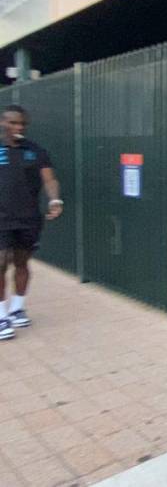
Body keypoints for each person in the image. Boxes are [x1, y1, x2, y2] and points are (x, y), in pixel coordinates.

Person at [0, 105, 62, 341]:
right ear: (3, 122)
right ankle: (1, 316)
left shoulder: (35, 150)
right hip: (1, 219)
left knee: (22, 263)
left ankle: (17, 308)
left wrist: (55, 199)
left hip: (28, 218)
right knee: (1, 262)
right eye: (13, 123)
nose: (18, 128)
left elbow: (49, 177)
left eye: (22, 124)